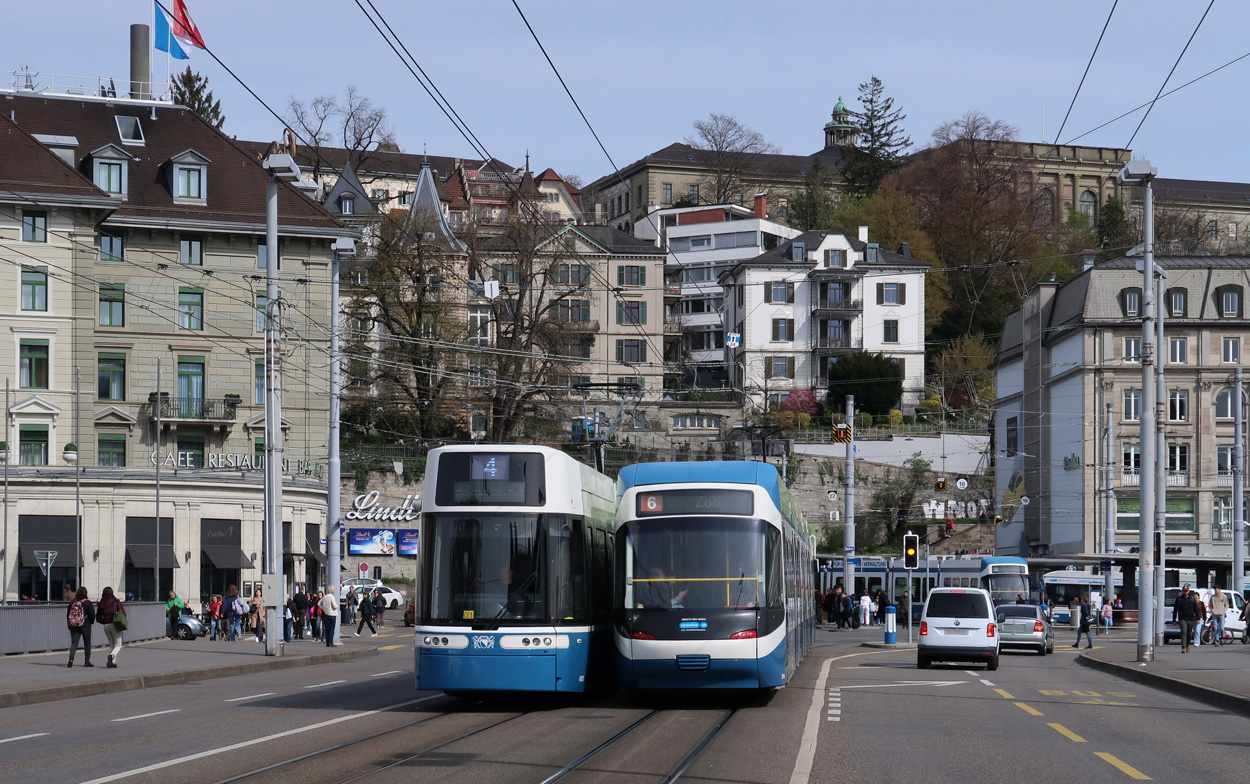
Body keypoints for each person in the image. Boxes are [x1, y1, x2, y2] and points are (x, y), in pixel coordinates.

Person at [96, 586, 125, 668]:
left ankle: (112, 663)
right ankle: (111, 656)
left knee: (111, 644)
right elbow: (123, 614)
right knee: (118, 645)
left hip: (106, 626)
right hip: (115, 625)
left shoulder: (101, 604)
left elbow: (98, 618)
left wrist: (104, 621)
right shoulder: (116, 602)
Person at [67, 587, 96, 667]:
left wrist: (69, 624)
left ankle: (71, 659)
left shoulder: (73, 602)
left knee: (74, 643)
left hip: (74, 625)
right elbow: (92, 615)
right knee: (87, 643)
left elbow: (68, 615)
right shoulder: (88, 603)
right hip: (85, 625)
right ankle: (87, 661)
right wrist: (91, 622)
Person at [1172, 584, 1200, 654]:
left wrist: (1198, 618)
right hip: (1182, 618)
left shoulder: (1192, 599)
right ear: (1182, 591)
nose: (1185, 592)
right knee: (1184, 632)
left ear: (1188, 591)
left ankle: (1187, 646)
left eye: (1186, 591)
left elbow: (1196, 609)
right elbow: (1175, 610)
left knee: (1189, 633)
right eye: (1184, 591)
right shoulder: (1179, 599)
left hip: (1190, 618)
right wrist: (1174, 620)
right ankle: (1183, 647)